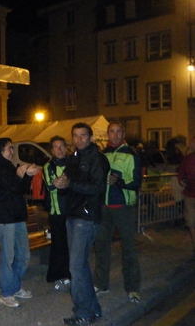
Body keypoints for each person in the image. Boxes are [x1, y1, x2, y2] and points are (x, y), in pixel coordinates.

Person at [53, 123, 110, 325]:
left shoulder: (97, 159)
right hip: (73, 215)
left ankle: (83, 312)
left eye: (83, 135)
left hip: (86, 217)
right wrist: (61, 186)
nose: (79, 139)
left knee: (76, 267)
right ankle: (93, 309)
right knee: (80, 267)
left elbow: (97, 188)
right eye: (75, 136)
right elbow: (69, 186)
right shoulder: (73, 159)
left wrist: (70, 185)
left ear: (91, 137)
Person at [0, 137, 41, 308]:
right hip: (5, 218)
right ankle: (7, 293)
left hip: (17, 216)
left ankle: (14, 286)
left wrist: (28, 176)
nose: (12, 151)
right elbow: (4, 193)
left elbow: (20, 189)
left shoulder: (9, 167)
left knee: (24, 255)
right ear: (0, 151)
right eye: (9, 148)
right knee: (8, 257)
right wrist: (19, 175)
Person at [94, 121, 142, 303]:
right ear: (108, 134)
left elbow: (137, 182)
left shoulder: (132, 155)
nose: (115, 135)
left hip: (123, 207)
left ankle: (133, 288)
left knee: (129, 248)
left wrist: (119, 181)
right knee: (101, 247)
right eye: (111, 132)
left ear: (123, 133)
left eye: (118, 131)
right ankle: (101, 284)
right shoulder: (101, 155)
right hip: (104, 208)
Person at [42, 135, 71, 291]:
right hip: (57, 212)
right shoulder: (48, 167)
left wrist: (64, 183)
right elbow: (52, 186)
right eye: (56, 147)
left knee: (71, 245)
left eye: (62, 146)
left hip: (72, 211)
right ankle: (56, 276)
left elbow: (71, 184)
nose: (60, 149)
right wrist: (62, 183)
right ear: (52, 150)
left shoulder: (72, 163)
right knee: (58, 245)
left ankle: (68, 274)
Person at [178, 136, 195, 257]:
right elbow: (181, 173)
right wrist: (182, 181)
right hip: (190, 194)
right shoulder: (188, 158)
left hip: (190, 193)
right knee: (191, 221)